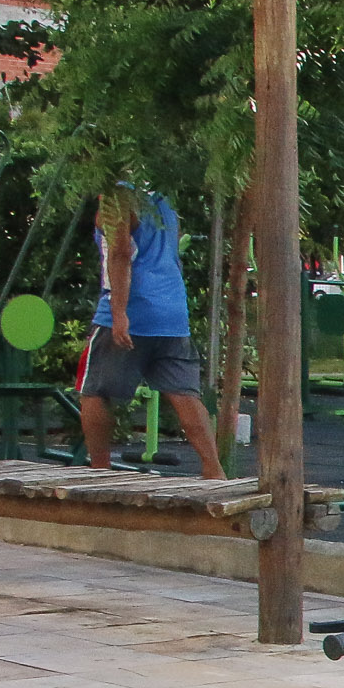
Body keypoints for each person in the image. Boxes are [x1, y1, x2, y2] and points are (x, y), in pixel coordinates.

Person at [78, 184, 224, 480]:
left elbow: (119, 253)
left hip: (131, 308)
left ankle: (100, 471)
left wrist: (120, 313)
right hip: (171, 310)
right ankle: (214, 469)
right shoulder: (163, 200)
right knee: (184, 394)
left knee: (93, 390)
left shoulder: (117, 198)